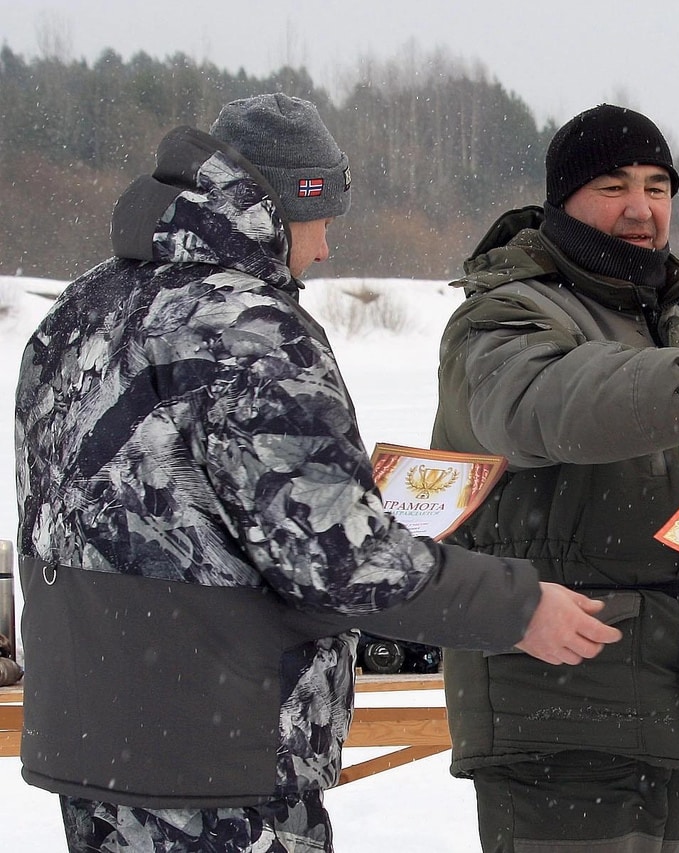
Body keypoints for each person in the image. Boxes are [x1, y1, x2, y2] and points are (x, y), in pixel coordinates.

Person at [14, 93, 620, 853]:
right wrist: (518, 604)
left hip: (91, 744)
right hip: (217, 758)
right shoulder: (250, 326)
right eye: (323, 219)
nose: (326, 248)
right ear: (283, 205)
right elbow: (339, 558)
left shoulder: (82, 305)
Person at [431, 103, 679, 853]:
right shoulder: (502, 316)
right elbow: (544, 404)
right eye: (613, 186)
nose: (641, 208)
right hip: (564, 721)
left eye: (657, 186)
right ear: (561, 202)